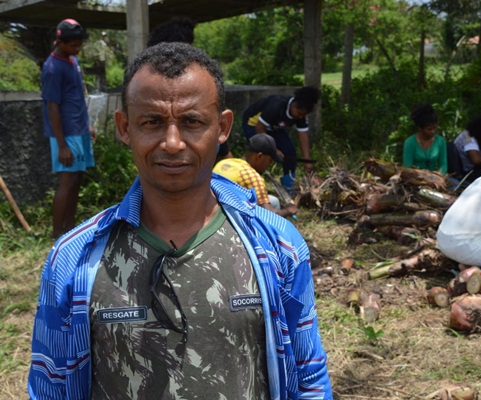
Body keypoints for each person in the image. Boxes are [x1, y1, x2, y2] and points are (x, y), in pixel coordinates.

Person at [28, 42, 332, 399]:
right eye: (152, 122)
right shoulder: (74, 258)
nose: (172, 143)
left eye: (192, 122)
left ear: (222, 127)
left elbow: (308, 376)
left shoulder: (277, 244)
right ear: (125, 128)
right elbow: (50, 387)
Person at [41, 18, 95, 238]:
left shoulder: (73, 61)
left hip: (79, 129)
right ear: (60, 42)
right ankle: (57, 234)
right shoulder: (52, 67)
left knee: (77, 179)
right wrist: (62, 145)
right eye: (73, 44)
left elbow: (77, 97)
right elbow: (52, 107)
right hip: (66, 133)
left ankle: (70, 229)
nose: (77, 48)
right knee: (67, 180)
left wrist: (87, 125)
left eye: (79, 43)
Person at [242, 86, 321, 191]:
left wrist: (307, 160)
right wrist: (274, 150)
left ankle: (288, 185)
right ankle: (250, 184)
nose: (300, 117)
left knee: (290, 151)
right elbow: (260, 127)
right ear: (294, 105)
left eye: (303, 115)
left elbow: (303, 136)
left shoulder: (300, 115)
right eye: (300, 114)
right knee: (262, 154)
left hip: (273, 127)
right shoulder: (276, 106)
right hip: (254, 125)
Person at [214, 133, 298, 218]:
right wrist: (288, 210)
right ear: (259, 157)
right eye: (269, 161)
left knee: (274, 201)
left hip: (214, 211)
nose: (269, 165)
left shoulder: (224, 163)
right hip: (230, 217)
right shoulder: (252, 176)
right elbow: (269, 215)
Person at [402, 103, 447, 174]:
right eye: (429, 129)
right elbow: (407, 168)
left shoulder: (440, 141)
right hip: (416, 178)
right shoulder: (410, 143)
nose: (433, 131)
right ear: (420, 128)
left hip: (435, 178)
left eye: (435, 128)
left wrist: (440, 175)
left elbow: (443, 165)